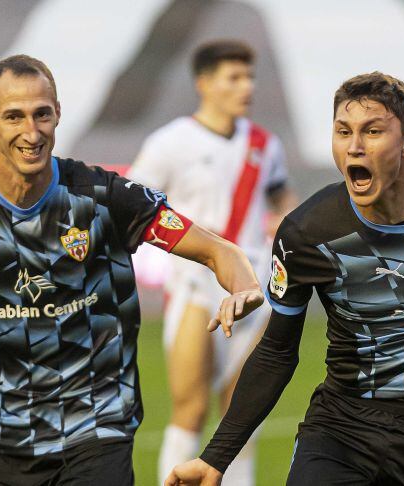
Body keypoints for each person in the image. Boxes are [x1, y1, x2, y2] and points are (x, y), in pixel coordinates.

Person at [0, 54, 264, 486]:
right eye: (14, 117)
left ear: (58, 114)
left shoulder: (107, 198)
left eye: (42, 115)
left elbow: (218, 251)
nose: (31, 133)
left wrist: (245, 286)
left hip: (97, 431)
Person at [165, 72, 404, 486]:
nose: (354, 146)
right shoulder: (307, 233)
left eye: (372, 131)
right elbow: (276, 351)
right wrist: (215, 459)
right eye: (343, 131)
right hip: (342, 428)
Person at [127, 40, 296, 486]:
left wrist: (288, 221)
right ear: (205, 83)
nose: (247, 86)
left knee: (240, 413)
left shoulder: (265, 144)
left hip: (253, 288)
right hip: (194, 286)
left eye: (250, 77)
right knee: (191, 406)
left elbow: (281, 196)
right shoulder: (169, 142)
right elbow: (130, 202)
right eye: (234, 77)